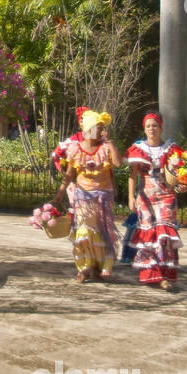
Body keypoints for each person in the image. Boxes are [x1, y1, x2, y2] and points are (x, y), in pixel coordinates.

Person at [53, 109, 122, 283]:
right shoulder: (76, 148)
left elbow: (118, 163)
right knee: (84, 232)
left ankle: (100, 265)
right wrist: (60, 194)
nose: (100, 131)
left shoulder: (105, 148)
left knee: (102, 233)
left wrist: (110, 142)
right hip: (83, 196)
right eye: (98, 128)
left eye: (101, 128)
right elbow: (69, 175)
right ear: (89, 129)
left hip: (103, 198)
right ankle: (85, 266)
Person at [125, 112, 181, 290]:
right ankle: (152, 273)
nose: (152, 129)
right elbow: (133, 176)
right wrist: (130, 197)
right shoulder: (138, 148)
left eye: (155, 125)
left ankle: (165, 273)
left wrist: (183, 183)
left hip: (166, 196)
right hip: (146, 198)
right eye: (148, 126)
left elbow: (180, 175)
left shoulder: (171, 149)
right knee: (149, 235)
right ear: (144, 128)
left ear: (161, 127)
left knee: (164, 234)